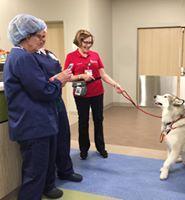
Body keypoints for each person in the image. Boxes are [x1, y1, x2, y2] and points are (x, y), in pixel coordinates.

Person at [4, 14, 72, 200]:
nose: (42, 40)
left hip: (39, 124)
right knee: (34, 176)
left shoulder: (22, 56)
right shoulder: (22, 58)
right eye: (39, 36)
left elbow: (37, 85)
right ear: (26, 36)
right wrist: (60, 80)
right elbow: (44, 91)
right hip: (33, 127)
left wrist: (51, 82)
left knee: (41, 170)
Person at [64, 29, 123, 160]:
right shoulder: (71, 57)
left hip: (97, 92)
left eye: (90, 42)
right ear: (79, 41)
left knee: (98, 120)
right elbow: (67, 77)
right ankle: (83, 149)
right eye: (85, 42)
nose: (88, 45)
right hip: (81, 93)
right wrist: (81, 76)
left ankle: (100, 147)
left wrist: (115, 84)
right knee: (83, 121)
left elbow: (103, 74)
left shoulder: (95, 55)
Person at [33, 48, 82, 182]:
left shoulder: (50, 54)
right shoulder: (28, 57)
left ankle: (65, 170)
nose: (42, 39)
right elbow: (39, 84)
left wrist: (63, 78)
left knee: (63, 136)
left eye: (44, 36)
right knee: (50, 141)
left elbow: (61, 78)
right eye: (39, 36)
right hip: (45, 103)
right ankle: (49, 180)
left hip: (57, 100)